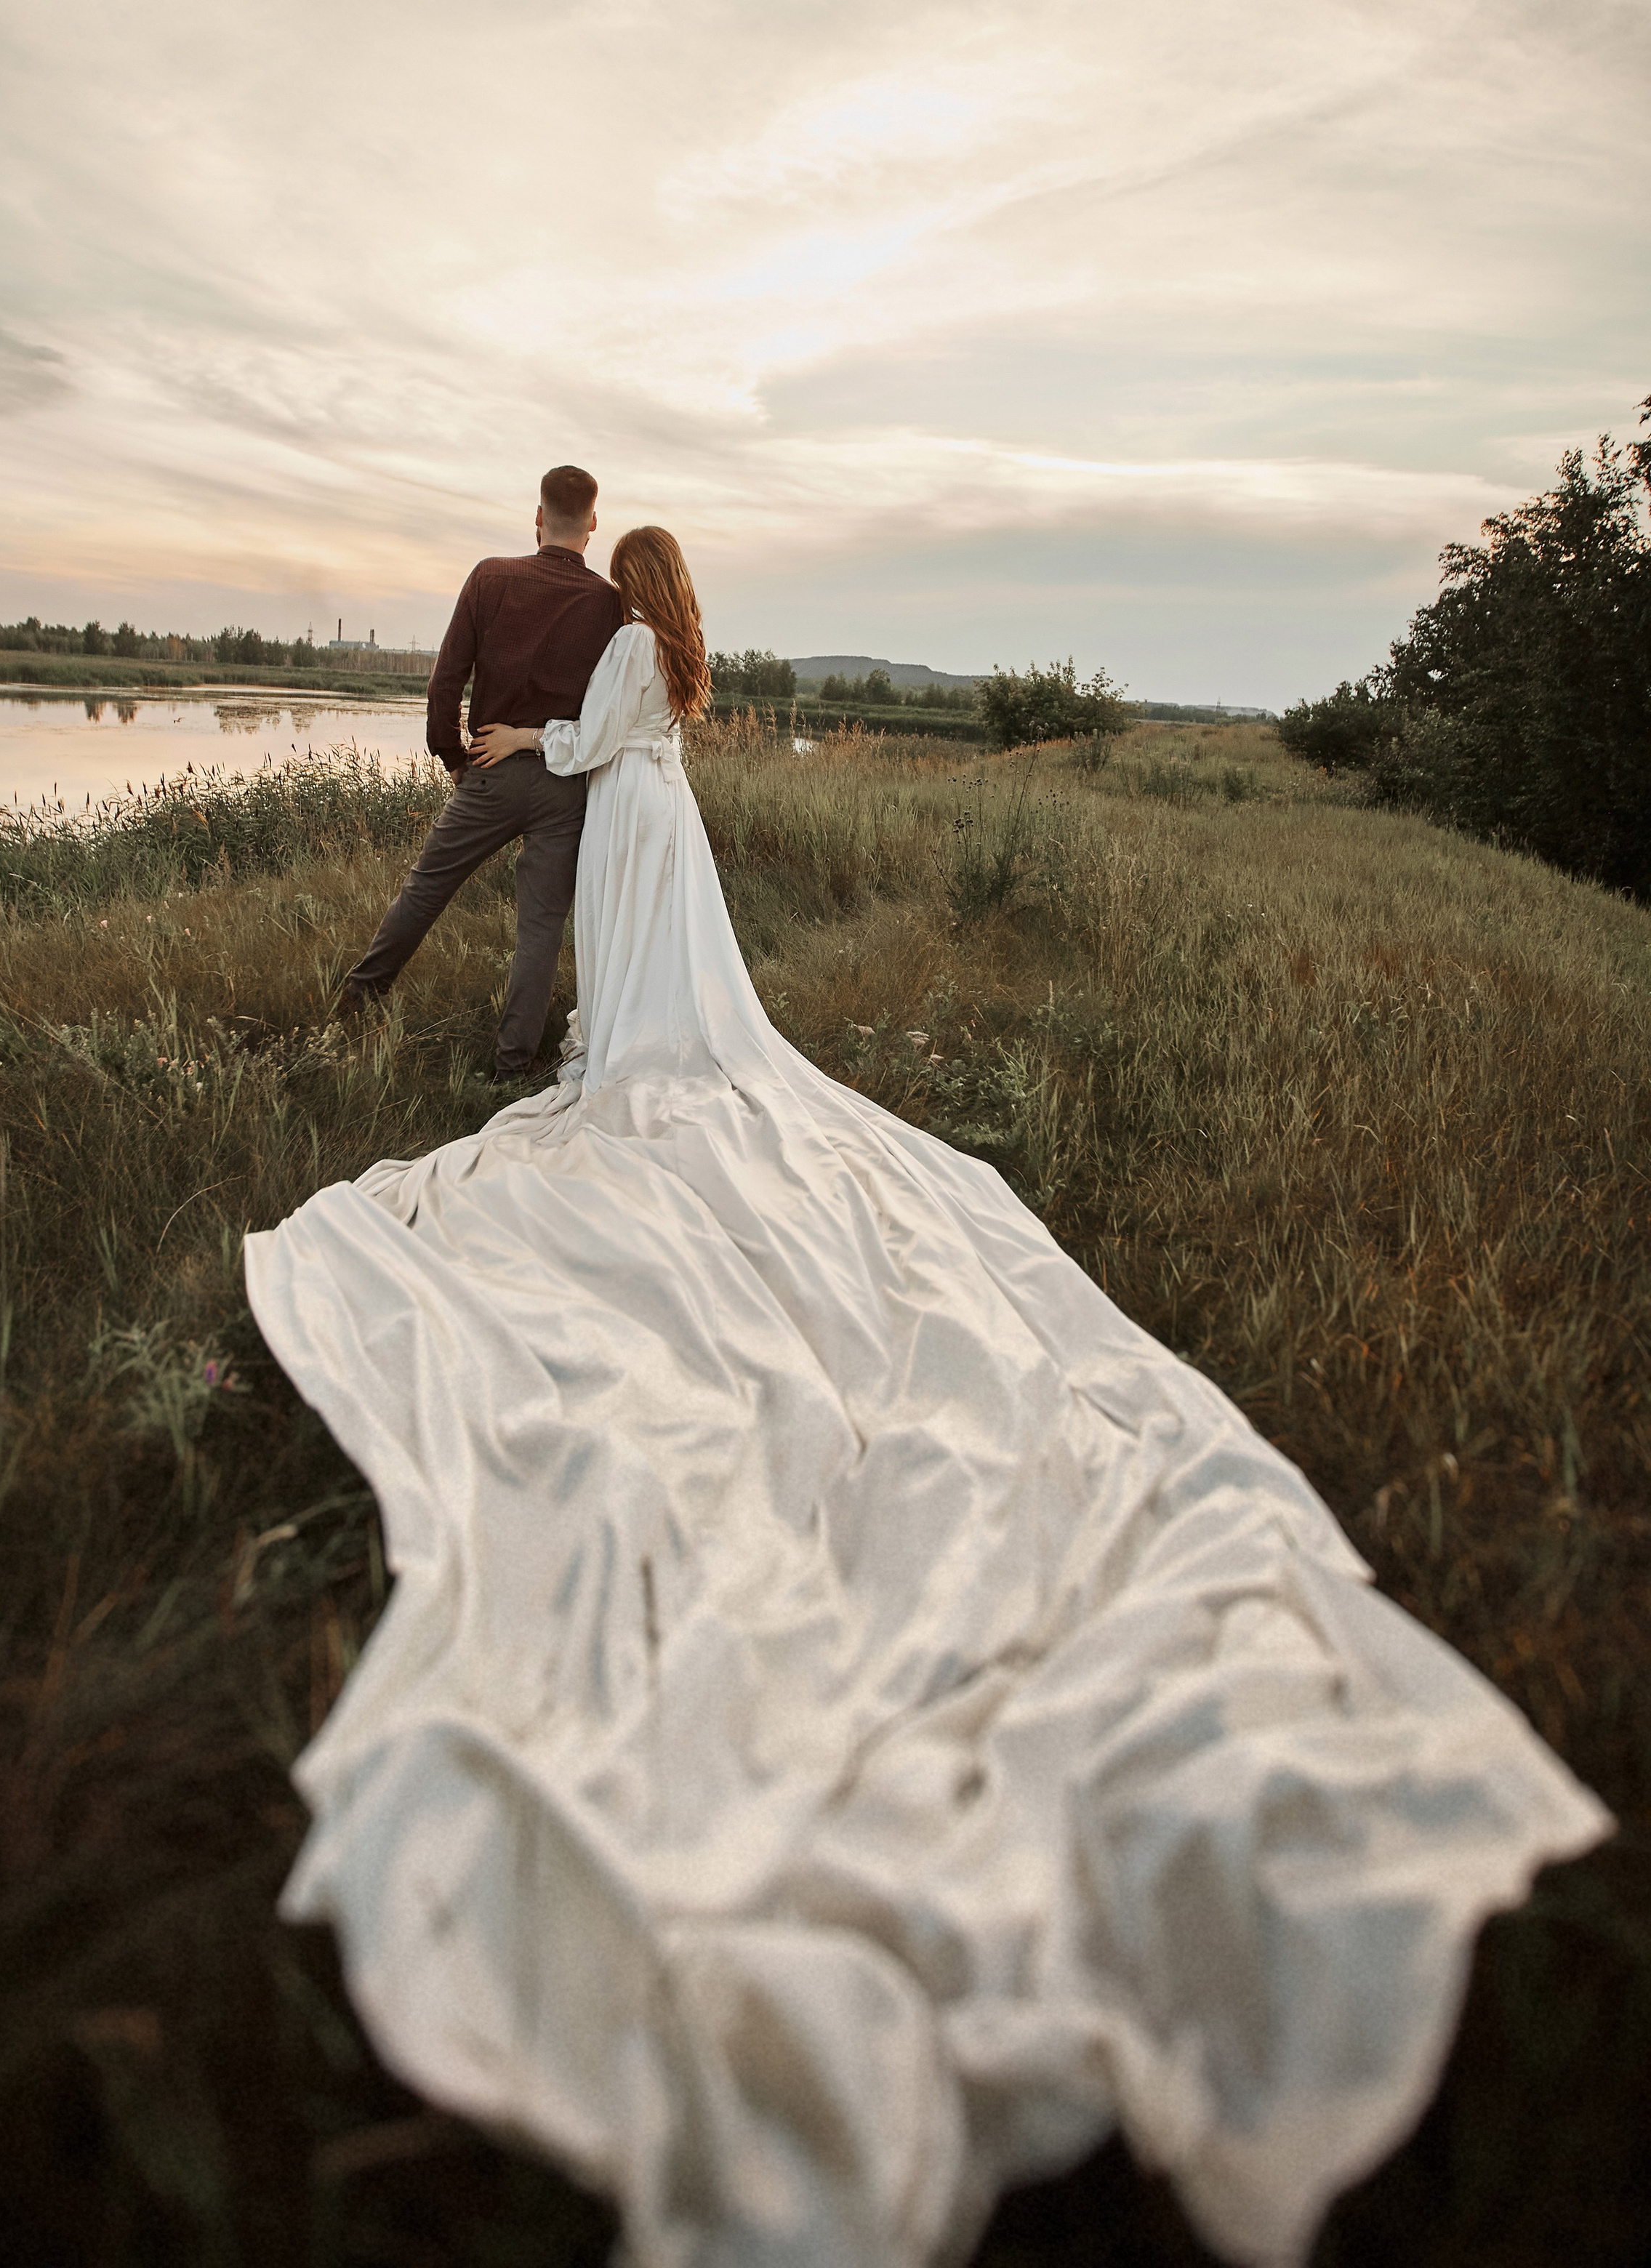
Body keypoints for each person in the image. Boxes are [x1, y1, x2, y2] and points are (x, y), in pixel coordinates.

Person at [246, 529, 1607, 2268]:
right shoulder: (680, 648)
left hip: (638, 839)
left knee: (660, 1067)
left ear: (626, 573)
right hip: (684, 844)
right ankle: (617, 1059)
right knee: (685, 1042)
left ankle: (613, 1070)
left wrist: (511, 749)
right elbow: (634, 738)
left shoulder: (612, 662)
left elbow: (582, 752)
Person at [335, 464, 623, 1078]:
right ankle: (511, 1065)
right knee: (541, 925)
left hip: (490, 769)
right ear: (593, 525)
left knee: (427, 887)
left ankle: (358, 1000)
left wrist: (454, 760)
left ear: (539, 516)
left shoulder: (491, 577)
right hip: (564, 783)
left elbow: (445, 681)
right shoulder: (609, 603)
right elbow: (609, 707)